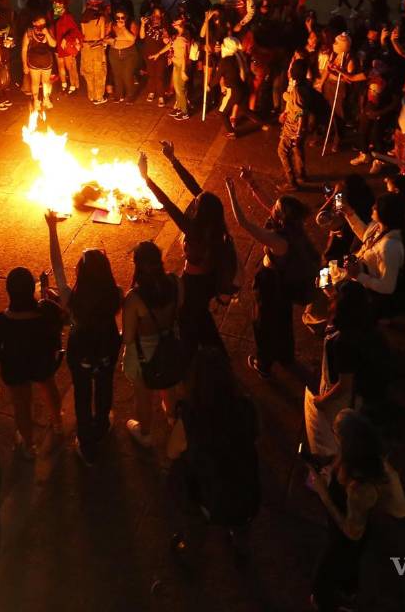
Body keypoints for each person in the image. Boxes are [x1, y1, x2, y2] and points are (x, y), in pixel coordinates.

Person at [307, 409, 405, 612]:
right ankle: (348, 591)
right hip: (346, 525)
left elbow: (353, 533)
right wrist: (325, 463)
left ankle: (333, 602)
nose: (334, 434)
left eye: (338, 434)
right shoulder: (355, 456)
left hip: (347, 535)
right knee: (348, 565)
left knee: (325, 577)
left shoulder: (361, 486)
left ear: (350, 443)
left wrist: (323, 494)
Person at [165, 347, 261, 562]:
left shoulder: (191, 417)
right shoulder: (245, 407)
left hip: (210, 496)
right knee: (240, 520)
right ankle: (241, 545)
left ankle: (190, 548)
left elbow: (171, 452)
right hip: (246, 493)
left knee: (179, 472)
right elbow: (255, 437)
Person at [139, 143, 236, 352]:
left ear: (200, 212)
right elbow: (194, 187)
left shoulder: (194, 231)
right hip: (210, 278)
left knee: (188, 315)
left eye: (196, 203)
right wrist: (173, 160)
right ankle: (212, 347)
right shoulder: (216, 224)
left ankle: (193, 353)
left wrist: (147, 179)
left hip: (193, 283)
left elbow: (168, 204)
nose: (195, 200)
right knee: (201, 313)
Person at [45, 212, 122, 465]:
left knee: (81, 395)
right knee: (104, 386)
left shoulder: (72, 298)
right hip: (107, 349)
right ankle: (102, 424)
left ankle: (87, 444)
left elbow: (56, 266)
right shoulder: (116, 294)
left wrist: (53, 229)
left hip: (82, 353)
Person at [226, 175, 315, 378]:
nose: (271, 208)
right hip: (284, 286)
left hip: (270, 286)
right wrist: (252, 183)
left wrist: (231, 192)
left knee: (263, 324)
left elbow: (243, 223)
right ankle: (286, 357)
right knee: (283, 322)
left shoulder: (277, 240)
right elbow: (270, 205)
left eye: (275, 208)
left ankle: (263, 363)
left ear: (281, 217)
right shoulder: (294, 227)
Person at [0, 267, 65, 458]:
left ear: (8, 291)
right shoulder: (46, 313)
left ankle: (28, 445)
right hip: (42, 362)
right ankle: (58, 423)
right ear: (32, 290)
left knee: (21, 404)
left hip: (15, 368)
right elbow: (62, 323)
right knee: (49, 386)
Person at [121, 240, 184, 447]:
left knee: (143, 394)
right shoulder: (176, 282)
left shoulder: (134, 298)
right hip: (170, 345)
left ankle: (145, 433)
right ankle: (173, 417)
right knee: (168, 381)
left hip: (144, 355)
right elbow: (179, 311)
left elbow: (128, 338)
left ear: (137, 265)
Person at [22, 14, 57, 112]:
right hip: (34, 61)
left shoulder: (48, 30)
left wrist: (47, 34)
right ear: (34, 23)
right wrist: (24, 64)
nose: (41, 24)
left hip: (46, 60)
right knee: (35, 82)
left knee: (46, 81)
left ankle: (46, 99)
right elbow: (24, 49)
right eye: (39, 22)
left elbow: (53, 44)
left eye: (43, 22)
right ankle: (36, 101)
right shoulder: (29, 32)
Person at [106, 7, 139, 103]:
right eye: (118, 17)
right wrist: (110, 40)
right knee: (117, 75)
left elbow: (132, 38)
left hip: (129, 53)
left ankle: (130, 95)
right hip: (114, 53)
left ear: (126, 18)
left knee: (127, 75)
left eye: (122, 17)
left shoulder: (131, 24)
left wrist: (123, 28)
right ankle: (119, 94)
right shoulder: (111, 25)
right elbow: (106, 37)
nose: (120, 20)